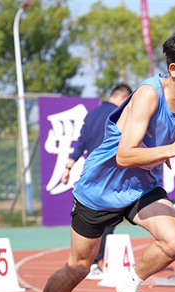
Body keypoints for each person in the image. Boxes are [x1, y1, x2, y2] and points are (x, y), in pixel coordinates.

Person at [26, 29, 175, 292]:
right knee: (79, 267)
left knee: (174, 240)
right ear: (173, 70)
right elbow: (124, 155)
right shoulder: (148, 94)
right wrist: (170, 149)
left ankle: (130, 283)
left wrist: (162, 145)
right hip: (101, 187)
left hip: (143, 186)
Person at [63, 84, 133, 280]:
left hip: (91, 175)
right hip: (111, 174)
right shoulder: (119, 115)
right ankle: (96, 261)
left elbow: (81, 142)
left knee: (91, 220)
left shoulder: (91, 114)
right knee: (108, 221)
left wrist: (68, 167)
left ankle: (89, 261)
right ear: (123, 98)